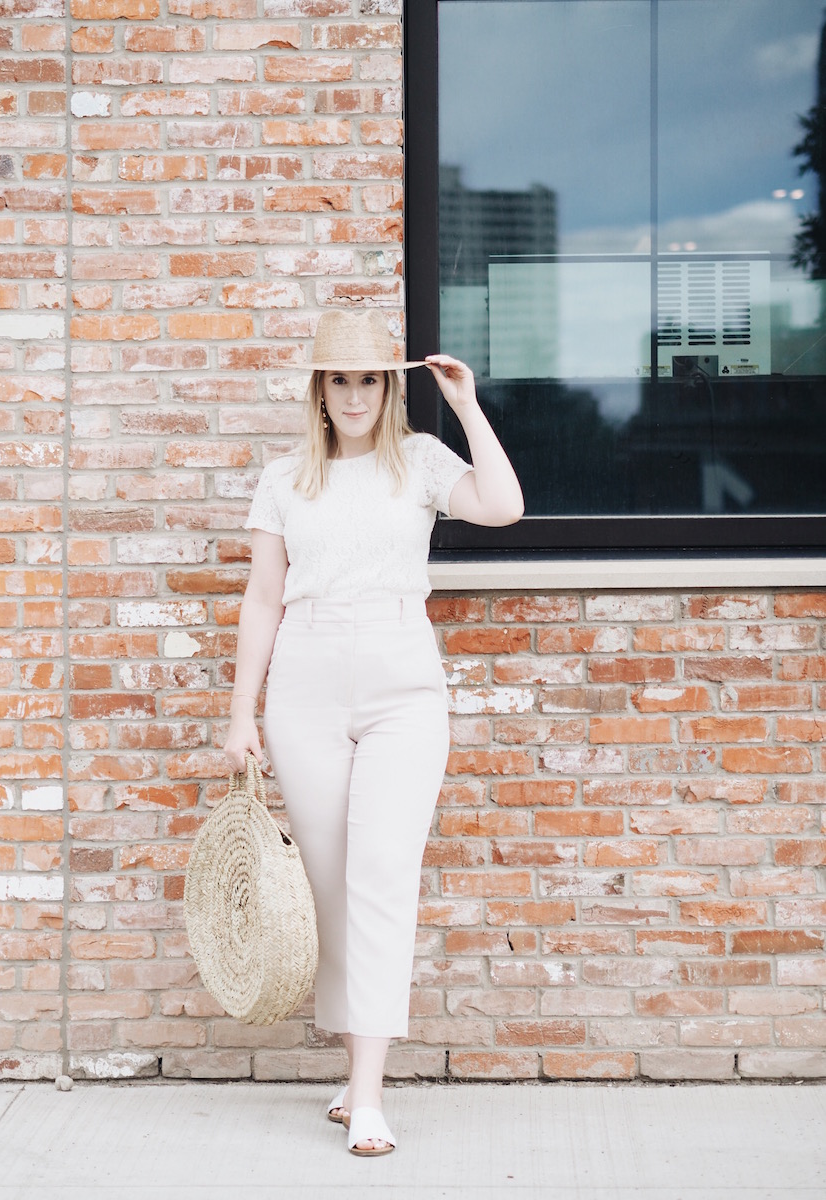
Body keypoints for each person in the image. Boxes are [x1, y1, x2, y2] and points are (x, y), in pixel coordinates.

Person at [223, 309, 523, 1156]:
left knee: (384, 876)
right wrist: (241, 712)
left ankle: (367, 1092)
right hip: (307, 682)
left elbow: (502, 506)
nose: (354, 394)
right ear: (320, 391)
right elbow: (260, 599)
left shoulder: (420, 462)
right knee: (332, 886)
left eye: (369, 380)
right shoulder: (286, 478)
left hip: (402, 681)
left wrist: (464, 403)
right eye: (340, 380)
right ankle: (353, 1074)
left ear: (388, 389)